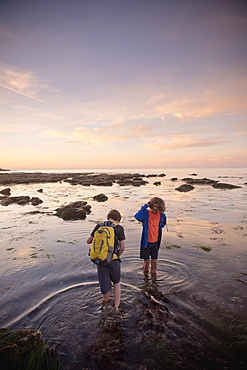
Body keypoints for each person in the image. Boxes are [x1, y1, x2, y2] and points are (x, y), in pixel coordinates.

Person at [87, 209, 125, 310]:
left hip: (101, 260)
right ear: (118, 219)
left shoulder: (99, 226)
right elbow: (122, 247)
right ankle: (116, 307)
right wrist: (116, 255)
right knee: (116, 283)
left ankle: (105, 305)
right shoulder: (119, 228)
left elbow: (88, 241)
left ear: (108, 218)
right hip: (113, 260)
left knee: (104, 283)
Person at [134, 197, 166, 281]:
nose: (155, 208)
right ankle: (145, 279)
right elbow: (137, 216)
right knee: (146, 262)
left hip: (155, 242)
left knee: (154, 262)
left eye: (157, 207)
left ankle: (154, 279)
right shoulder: (146, 213)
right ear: (151, 205)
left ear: (161, 207)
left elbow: (162, 225)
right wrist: (145, 206)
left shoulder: (162, 216)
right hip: (146, 242)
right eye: (154, 206)